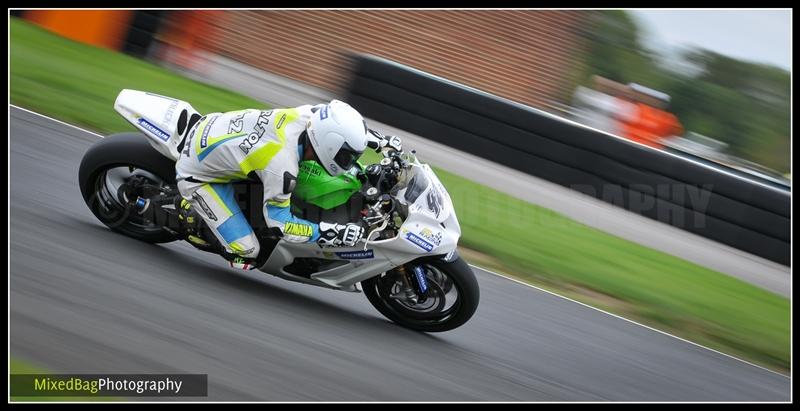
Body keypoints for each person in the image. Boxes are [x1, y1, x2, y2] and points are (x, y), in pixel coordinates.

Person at [174, 100, 399, 270]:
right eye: (347, 155)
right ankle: (190, 213)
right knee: (246, 253)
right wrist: (329, 232)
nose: (350, 161)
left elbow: (341, 127)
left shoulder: (311, 116)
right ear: (330, 146)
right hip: (198, 176)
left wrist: (381, 142)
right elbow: (280, 225)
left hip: (215, 129)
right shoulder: (281, 167)